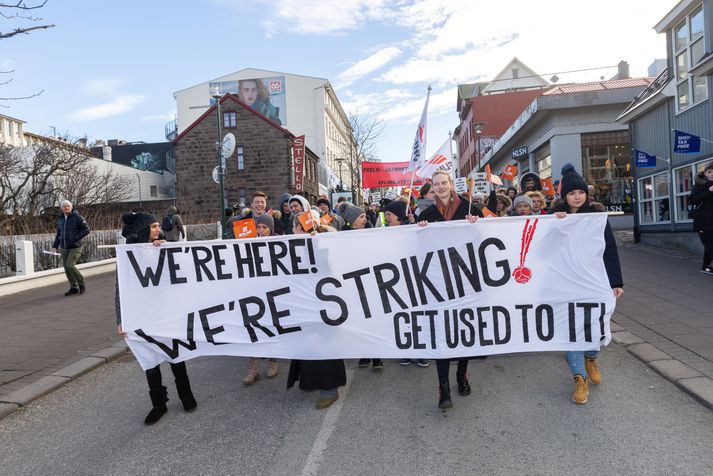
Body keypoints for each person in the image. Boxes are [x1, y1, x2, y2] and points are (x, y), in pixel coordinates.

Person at [552, 163, 624, 405]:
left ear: (586, 193)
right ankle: (579, 379)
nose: (577, 196)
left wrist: (616, 281)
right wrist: (556, 224)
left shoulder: (596, 217)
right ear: (564, 197)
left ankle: (591, 357)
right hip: (566, 284)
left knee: (595, 326)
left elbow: (610, 250)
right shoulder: (554, 218)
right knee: (571, 332)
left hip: (594, 280)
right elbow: (545, 251)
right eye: (572, 193)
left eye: (580, 192)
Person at [116, 212, 197, 425]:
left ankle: (186, 395)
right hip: (141, 315)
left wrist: (165, 250)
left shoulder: (163, 246)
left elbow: (180, 273)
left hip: (165, 312)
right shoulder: (128, 254)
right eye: (153, 226)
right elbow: (120, 289)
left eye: (158, 225)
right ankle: (159, 404)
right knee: (149, 359)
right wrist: (120, 318)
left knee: (175, 353)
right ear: (143, 229)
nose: (157, 229)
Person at [417, 170, 483, 409]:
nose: (441, 187)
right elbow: (416, 247)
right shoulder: (426, 214)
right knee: (442, 333)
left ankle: (461, 374)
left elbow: (486, 238)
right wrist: (420, 230)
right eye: (436, 184)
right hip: (439, 282)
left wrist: (476, 226)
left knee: (464, 329)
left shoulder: (469, 209)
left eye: (444, 182)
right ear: (432, 188)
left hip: (466, 280)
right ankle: (443, 386)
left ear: (451, 184)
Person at [286, 219, 346, 409]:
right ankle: (317, 384)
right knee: (310, 347)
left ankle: (329, 389)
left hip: (322, 307)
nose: (292, 230)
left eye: (295, 227)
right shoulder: (295, 248)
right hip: (306, 305)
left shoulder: (322, 245)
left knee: (323, 347)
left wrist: (317, 243)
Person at [243, 213, 280, 384]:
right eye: (259, 227)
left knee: (271, 326)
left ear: (271, 229)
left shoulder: (280, 242)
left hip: (272, 291)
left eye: (265, 227)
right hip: (253, 291)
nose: (261, 230)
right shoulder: (248, 241)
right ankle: (253, 367)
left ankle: (273, 362)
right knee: (252, 327)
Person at [51, 200, 90, 296]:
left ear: (71, 207)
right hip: (64, 247)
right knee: (66, 268)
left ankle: (81, 283)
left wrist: (75, 238)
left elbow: (86, 229)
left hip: (75, 246)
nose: (66, 208)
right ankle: (73, 287)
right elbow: (59, 234)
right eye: (64, 206)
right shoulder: (61, 219)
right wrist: (55, 246)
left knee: (70, 265)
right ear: (61, 208)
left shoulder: (78, 218)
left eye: (68, 206)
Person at [690, 161, 713, 275]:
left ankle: (706, 267)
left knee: (709, 245)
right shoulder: (699, 184)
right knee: (710, 244)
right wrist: (709, 191)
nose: (712, 174)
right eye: (709, 172)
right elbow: (693, 200)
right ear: (705, 173)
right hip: (703, 221)